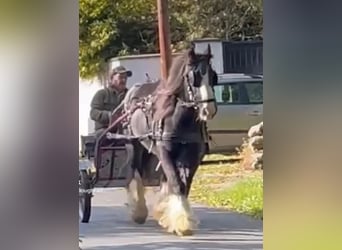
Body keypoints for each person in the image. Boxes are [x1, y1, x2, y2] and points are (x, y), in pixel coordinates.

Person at [90, 65, 132, 138]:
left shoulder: (130, 95)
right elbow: (93, 113)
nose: (124, 80)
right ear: (111, 78)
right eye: (120, 77)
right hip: (105, 130)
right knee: (101, 138)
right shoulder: (102, 94)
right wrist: (110, 116)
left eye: (125, 78)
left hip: (125, 130)